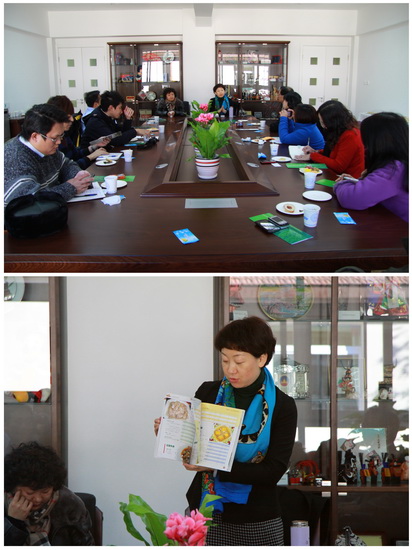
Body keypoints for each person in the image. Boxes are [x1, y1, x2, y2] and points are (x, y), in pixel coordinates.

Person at [154, 316, 297, 546]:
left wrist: (214, 466)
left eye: (239, 361)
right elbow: (194, 445)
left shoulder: (283, 406)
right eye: (224, 360)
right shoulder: (208, 393)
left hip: (258, 518)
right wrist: (171, 433)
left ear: (262, 358)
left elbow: (272, 471)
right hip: (206, 512)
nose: (231, 369)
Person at [4, 441, 94, 545]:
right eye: (30, 493)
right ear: (13, 488)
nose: (38, 499)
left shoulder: (70, 504)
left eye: (45, 491)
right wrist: (14, 522)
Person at [4, 103, 93, 206]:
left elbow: (66, 164)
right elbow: (30, 201)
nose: (59, 142)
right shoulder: (15, 159)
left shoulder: (47, 148)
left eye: (61, 136)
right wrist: (71, 187)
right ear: (35, 136)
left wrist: (77, 175)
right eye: (55, 138)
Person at [334, 112, 408, 222]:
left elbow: (351, 198)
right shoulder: (400, 163)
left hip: (399, 228)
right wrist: (357, 182)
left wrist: (341, 183)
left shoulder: (392, 170)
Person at [295, 100, 365, 178]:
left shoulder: (350, 135)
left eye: (323, 122)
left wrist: (313, 156)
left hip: (347, 178)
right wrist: (317, 151)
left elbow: (338, 166)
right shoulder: (340, 130)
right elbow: (334, 152)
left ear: (333, 121)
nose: (323, 126)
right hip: (334, 174)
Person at [47, 95, 109, 169]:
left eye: (71, 115)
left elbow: (75, 154)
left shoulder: (65, 134)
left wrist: (94, 146)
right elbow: (66, 169)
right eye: (68, 116)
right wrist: (91, 157)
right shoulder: (52, 141)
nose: (72, 119)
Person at [80, 90, 150, 148]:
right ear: (111, 108)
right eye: (119, 108)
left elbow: (118, 133)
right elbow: (116, 140)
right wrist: (135, 131)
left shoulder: (105, 115)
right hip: (92, 157)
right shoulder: (96, 121)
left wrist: (128, 119)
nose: (121, 111)